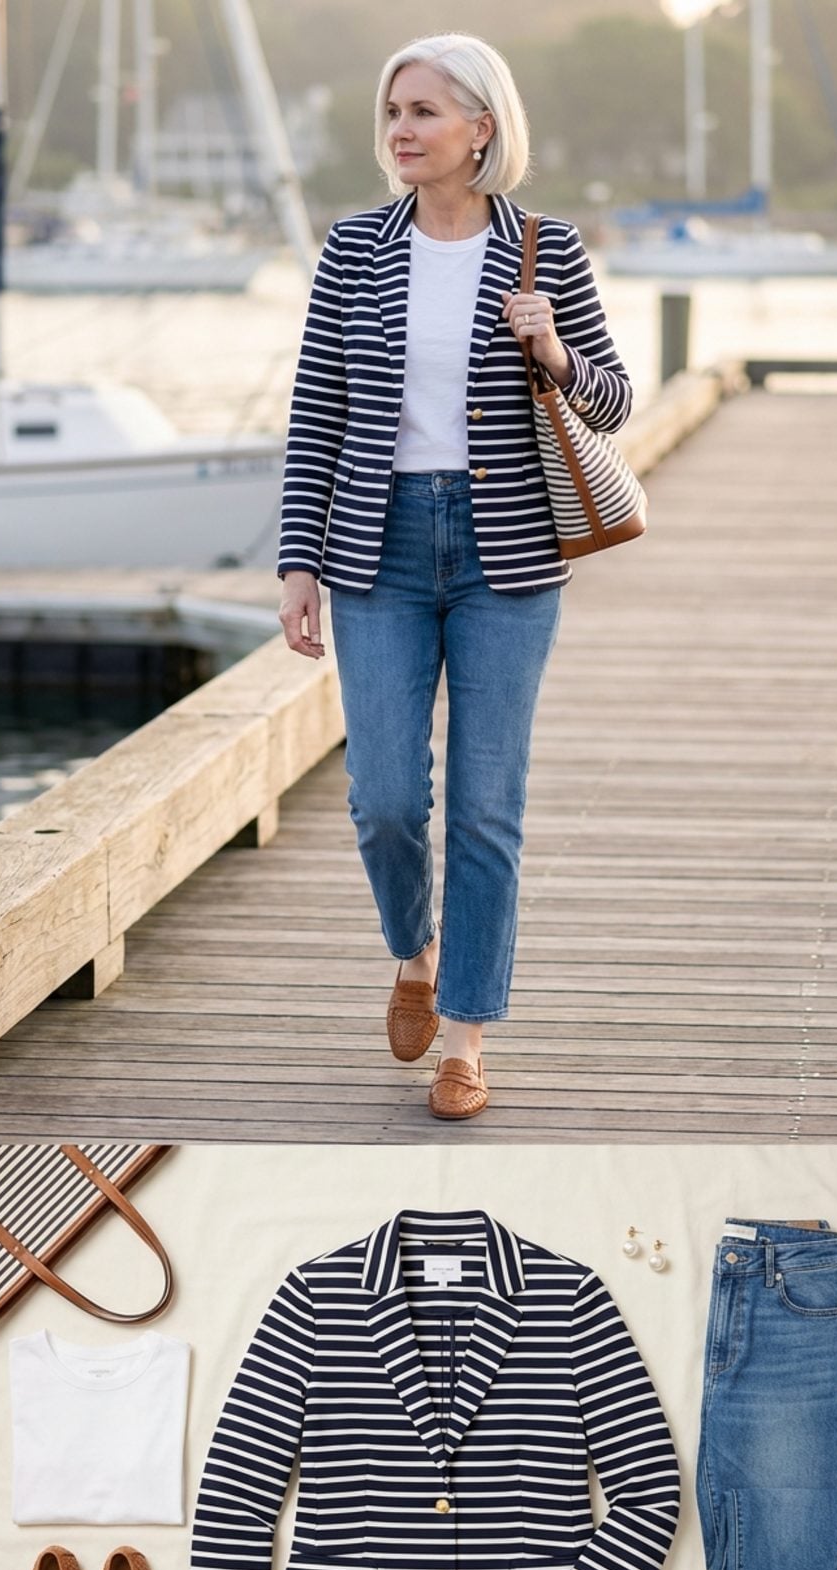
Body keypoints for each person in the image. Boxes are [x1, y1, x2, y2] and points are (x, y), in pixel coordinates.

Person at [277, 32, 632, 1121]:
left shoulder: (546, 248)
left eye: (424, 110)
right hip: (374, 550)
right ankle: (413, 950)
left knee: (487, 807)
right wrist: (297, 560)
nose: (401, 129)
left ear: (481, 126)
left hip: (505, 556)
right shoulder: (353, 249)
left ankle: (467, 1039)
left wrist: (558, 352)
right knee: (384, 798)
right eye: (393, 111)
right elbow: (316, 416)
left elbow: (615, 402)